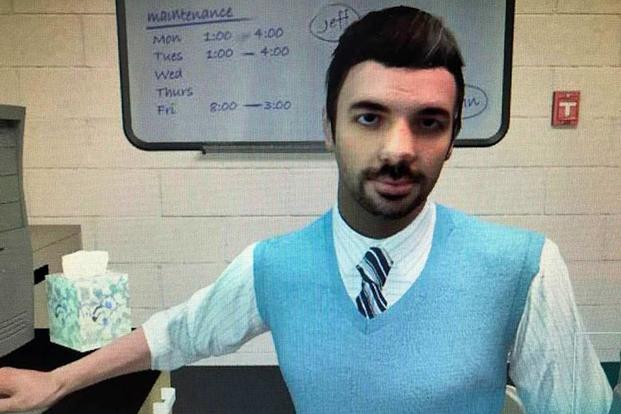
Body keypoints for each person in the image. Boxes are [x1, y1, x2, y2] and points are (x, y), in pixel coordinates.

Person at [0, 6, 614, 414]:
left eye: (429, 122)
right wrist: (56, 381)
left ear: (452, 137)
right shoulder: (275, 267)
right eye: (369, 117)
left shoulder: (523, 269)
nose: (399, 149)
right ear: (329, 127)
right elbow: (176, 333)